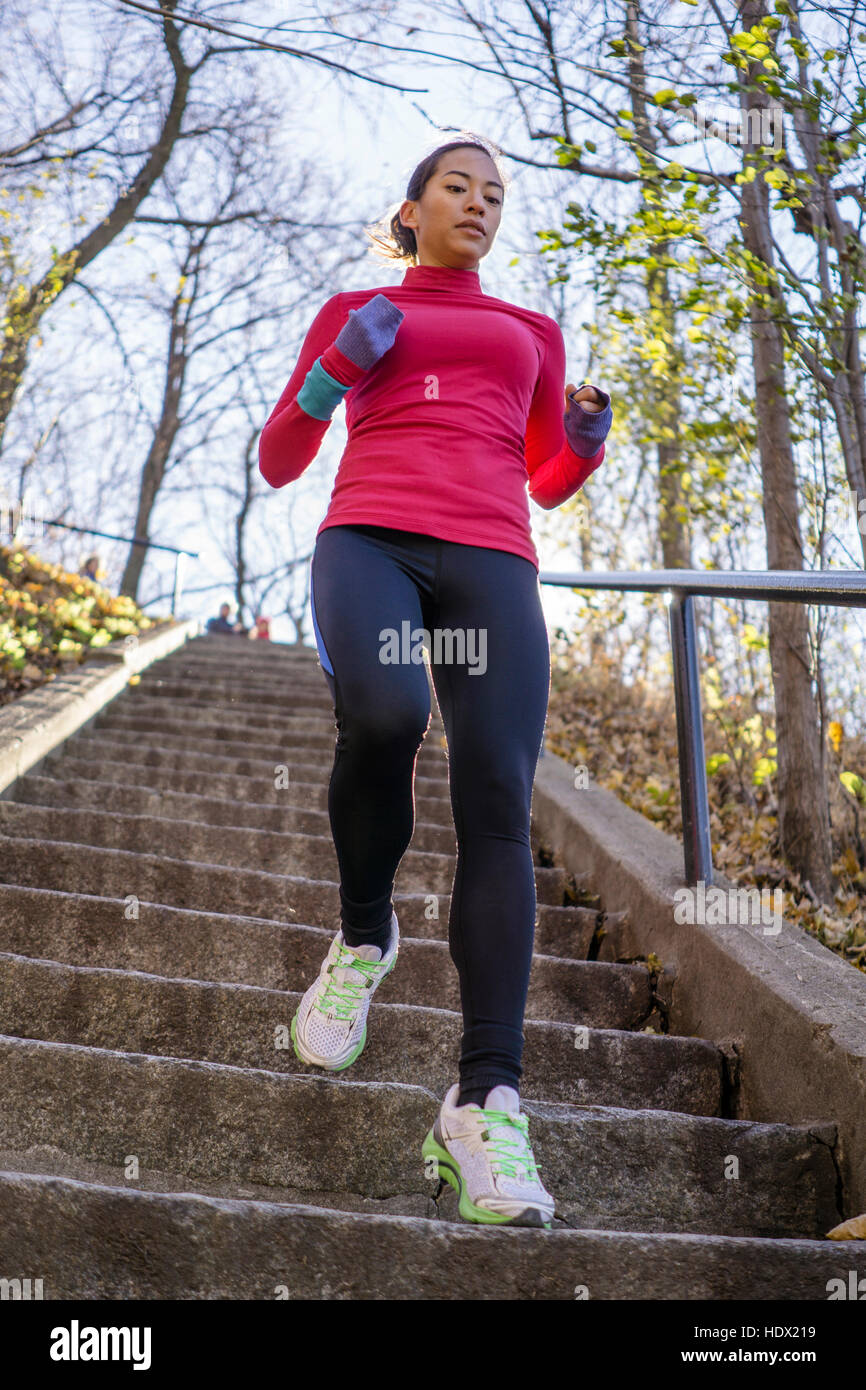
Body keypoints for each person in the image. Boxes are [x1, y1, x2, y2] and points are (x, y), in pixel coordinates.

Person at [258, 133, 612, 1230]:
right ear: (408, 210)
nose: (479, 202)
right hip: (370, 541)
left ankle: (483, 1099)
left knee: (498, 802)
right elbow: (279, 456)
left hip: (491, 562)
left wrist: (586, 443)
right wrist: (333, 372)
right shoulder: (360, 310)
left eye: (495, 194)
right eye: (456, 186)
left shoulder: (529, 333)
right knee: (386, 709)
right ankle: (365, 936)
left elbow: (543, 480)